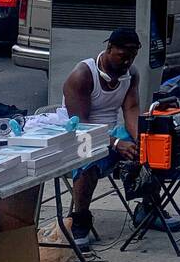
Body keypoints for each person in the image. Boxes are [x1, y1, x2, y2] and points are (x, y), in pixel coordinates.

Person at [61, 28, 143, 248]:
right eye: (123, 55)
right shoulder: (82, 75)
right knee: (88, 159)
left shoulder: (131, 74)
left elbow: (132, 109)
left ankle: (148, 209)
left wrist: (139, 139)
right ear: (109, 49)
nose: (128, 61)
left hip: (112, 134)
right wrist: (116, 144)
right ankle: (80, 219)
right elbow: (80, 125)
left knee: (153, 144)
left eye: (132, 56)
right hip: (79, 136)